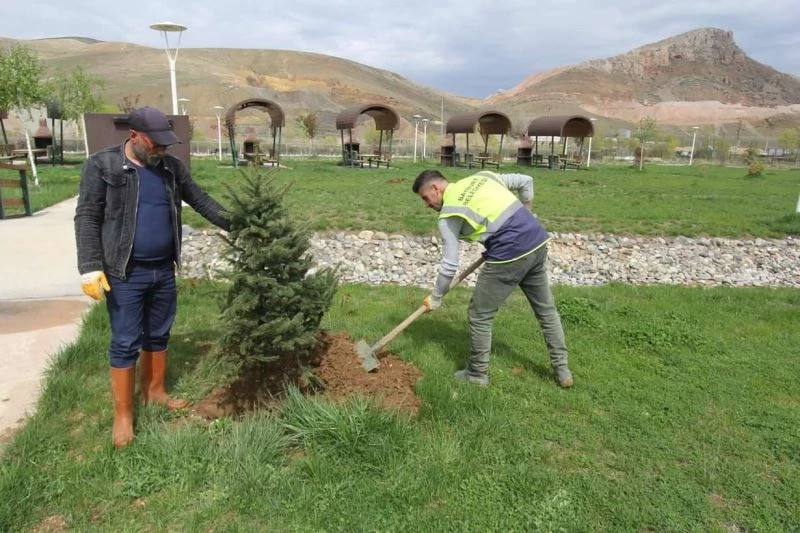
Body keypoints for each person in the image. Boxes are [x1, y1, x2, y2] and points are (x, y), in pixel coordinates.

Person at [75, 106, 231, 448]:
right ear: (134, 136)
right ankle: (124, 415)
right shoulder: (103, 166)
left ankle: (155, 392)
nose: (163, 150)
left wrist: (239, 223)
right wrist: (89, 266)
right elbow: (87, 216)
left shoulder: (171, 169)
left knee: (159, 332)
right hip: (125, 271)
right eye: (156, 143)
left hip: (163, 269)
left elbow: (202, 200)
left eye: (166, 144)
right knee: (126, 340)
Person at [413, 169, 573, 388]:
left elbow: (450, 265)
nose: (426, 204)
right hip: (536, 240)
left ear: (435, 188)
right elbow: (526, 180)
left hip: (510, 253)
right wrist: (526, 213)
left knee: (480, 315)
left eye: (425, 198)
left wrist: (437, 296)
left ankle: (477, 375)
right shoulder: (482, 177)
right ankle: (563, 371)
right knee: (546, 310)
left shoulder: (449, 214)